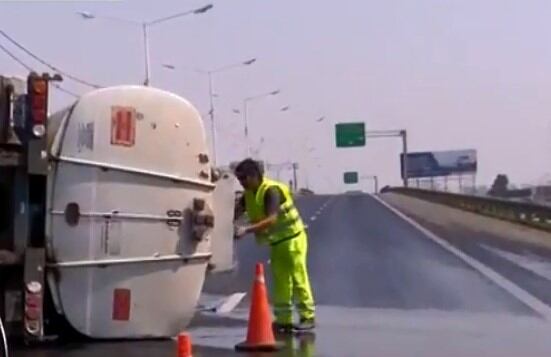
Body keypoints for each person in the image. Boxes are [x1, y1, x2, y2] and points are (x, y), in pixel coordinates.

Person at [233, 158, 316, 332]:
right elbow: (235, 213)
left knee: (298, 277)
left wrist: (246, 230)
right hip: (277, 242)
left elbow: (271, 219)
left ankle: (307, 316)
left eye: (244, 179)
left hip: (293, 239)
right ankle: (283, 320)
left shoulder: (271, 191)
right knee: (281, 281)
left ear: (254, 176)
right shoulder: (248, 195)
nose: (241, 183)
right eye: (239, 180)